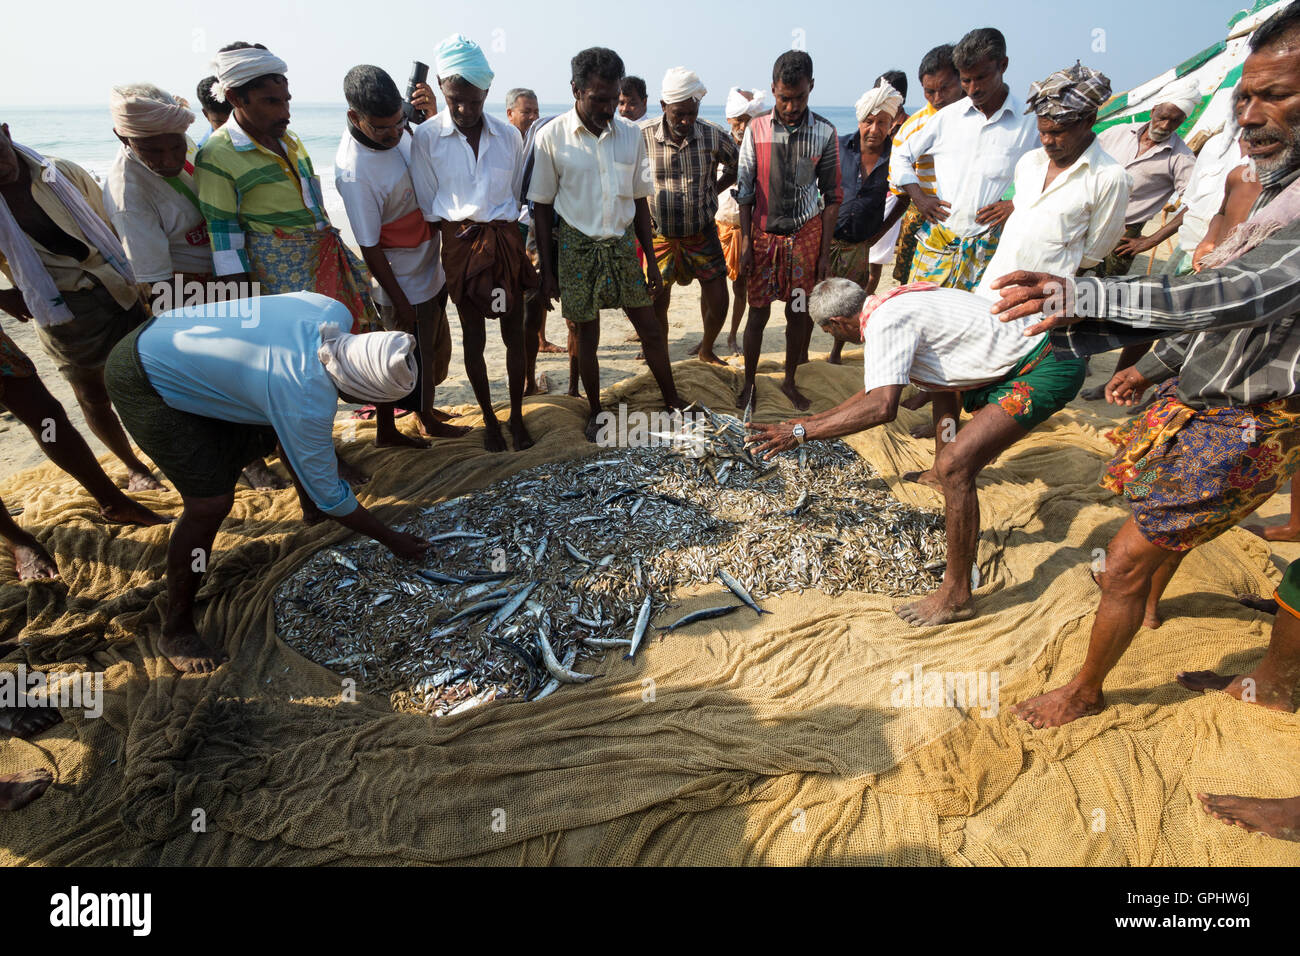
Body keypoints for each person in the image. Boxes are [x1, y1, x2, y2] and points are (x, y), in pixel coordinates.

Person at [990, 0, 1300, 728]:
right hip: (1203, 398)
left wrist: (1085, 293)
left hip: (1252, 421)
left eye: (1275, 95)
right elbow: (1215, 305)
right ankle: (1175, 614)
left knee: (1126, 558)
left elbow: (1237, 291)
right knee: (1155, 522)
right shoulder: (1269, 186)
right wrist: (1155, 365)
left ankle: (1085, 692)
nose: (1249, 114)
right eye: (1245, 95)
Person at [104, 291, 433, 673]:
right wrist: (394, 540)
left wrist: (318, 504)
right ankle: (176, 628)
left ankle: (305, 511)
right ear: (353, 392)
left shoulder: (334, 312)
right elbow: (333, 498)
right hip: (143, 374)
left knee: (278, 425)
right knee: (209, 503)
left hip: (175, 333)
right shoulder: (304, 392)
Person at [746, 275, 1086, 626]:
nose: (835, 339)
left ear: (836, 323)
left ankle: (956, 596)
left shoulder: (885, 323)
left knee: (958, 466)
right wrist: (808, 422)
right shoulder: (892, 301)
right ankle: (941, 473)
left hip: (1047, 364)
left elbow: (881, 407)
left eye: (830, 333)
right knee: (944, 424)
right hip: (1031, 352)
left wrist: (802, 433)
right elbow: (920, 385)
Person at [528, 47, 682, 440]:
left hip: (621, 247)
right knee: (586, 335)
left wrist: (650, 260)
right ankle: (596, 410)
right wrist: (548, 272)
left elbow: (639, 201)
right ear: (576, 89)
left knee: (650, 329)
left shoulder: (631, 135)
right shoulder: (551, 137)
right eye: (599, 99)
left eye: (614, 99)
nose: (609, 107)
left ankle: (672, 399)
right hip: (576, 249)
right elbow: (542, 211)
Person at [0, 123, 164, 492]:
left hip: (119, 286)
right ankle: (134, 466)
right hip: (60, 308)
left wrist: (143, 280)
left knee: (151, 380)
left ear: (6, 134)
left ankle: (172, 451)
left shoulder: (60, 172)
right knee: (92, 394)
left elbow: (112, 224)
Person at [411, 34, 538, 453]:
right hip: (461, 248)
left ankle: (517, 416)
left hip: (503, 244)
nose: (465, 109)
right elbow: (430, 204)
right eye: (454, 99)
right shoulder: (426, 138)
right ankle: (489, 419)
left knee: (514, 334)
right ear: (443, 89)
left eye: (474, 100)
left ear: (487, 91)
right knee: (473, 337)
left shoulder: (509, 137)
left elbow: (517, 193)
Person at [195, 42, 377, 332]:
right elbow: (226, 247)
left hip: (326, 270)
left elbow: (315, 214)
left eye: (286, 100)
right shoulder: (217, 155)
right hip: (281, 290)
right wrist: (246, 321)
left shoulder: (289, 140)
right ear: (234, 98)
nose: (285, 112)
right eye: (271, 102)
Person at [335, 64, 468, 449]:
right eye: (383, 129)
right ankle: (404, 427)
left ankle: (424, 409)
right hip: (402, 281)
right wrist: (399, 300)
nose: (395, 134)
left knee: (431, 352)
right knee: (400, 358)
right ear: (353, 118)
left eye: (398, 123)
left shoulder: (399, 128)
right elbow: (370, 247)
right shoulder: (356, 172)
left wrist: (424, 117)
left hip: (431, 266)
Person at [1077, 78, 1200, 398]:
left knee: (1099, 297)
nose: (1166, 124)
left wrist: (1150, 241)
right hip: (1083, 220)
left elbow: (1194, 205)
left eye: (1175, 120)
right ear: (1154, 107)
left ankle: (1083, 358)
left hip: (1125, 233)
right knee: (1064, 284)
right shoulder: (1116, 133)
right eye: (1163, 115)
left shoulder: (1181, 158)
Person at [890, 28, 1036, 291]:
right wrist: (919, 197)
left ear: (1003, 65)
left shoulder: (1030, 123)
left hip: (994, 247)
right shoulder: (947, 118)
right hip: (940, 240)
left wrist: (1016, 204)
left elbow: (1051, 173)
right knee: (919, 314)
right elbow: (900, 154)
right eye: (966, 81)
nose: (973, 88)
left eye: (981, 78)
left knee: (980, 322)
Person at [735, 49, 841, 413]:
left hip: (804, 240)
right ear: (773, 89)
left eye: (799, 98)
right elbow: (745, 190)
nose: (792, 106)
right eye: (784, 98)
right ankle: (749, 383)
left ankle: (790, 380)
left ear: (811, 87)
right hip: (763, 239)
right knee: (758, 314)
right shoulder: (756, 129)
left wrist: (824, 253)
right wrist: (747, 241)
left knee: (797, 314)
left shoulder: (825, 132)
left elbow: (832, 197)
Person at [642, 67, 738, 366]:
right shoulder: (640, 137)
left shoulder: (713, 135)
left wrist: (713, 188)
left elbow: (737, 168)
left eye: (691, 113)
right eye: (678, 114)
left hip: (702, 231)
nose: (685, 121)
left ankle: (707, 349)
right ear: (663, 107)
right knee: (657, 301)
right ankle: (661, 356)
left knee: (719, 299)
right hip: (659, 234)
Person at [826, 82, 901, 365]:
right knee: (812, 298)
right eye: (869, 121)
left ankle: (835, 353)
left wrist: (880, 232)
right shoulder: (838, 147)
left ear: (891, 124)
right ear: (860, 120)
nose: (874, 129)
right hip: (826, 239)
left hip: (860, 245)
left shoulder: (895, 157)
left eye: (882, 122)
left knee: (850, 303)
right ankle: (801, 356)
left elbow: (904, 197)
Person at [890, 44, 964, 287]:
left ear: (961, 79)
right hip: (929, 219)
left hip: (972, 223)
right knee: (916, 290)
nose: (938, 98)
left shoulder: (976, 115)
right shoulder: (915, 126)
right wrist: (920, 199)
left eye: (945, 88)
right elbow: (896, 176)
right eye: (929, 91)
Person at [505, 86, 564, 371]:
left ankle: (540, 338)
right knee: (521, 288)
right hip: (513, 223)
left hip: (535, 221)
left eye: (535, 111)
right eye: (526, 111)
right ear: (510, 114)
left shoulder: (542, 139)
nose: (532, 116)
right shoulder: (505, 142)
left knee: (538, 283)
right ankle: (527, 344)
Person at [713, 87, 772, 357]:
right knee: (712, 287)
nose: (741, 127)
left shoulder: (761, 149)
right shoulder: (719, 147)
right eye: (738, 122)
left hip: (746, 229)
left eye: (746, 122)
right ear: (730, 121)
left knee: (740, 288)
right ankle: (708, 338)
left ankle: (732, 337)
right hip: (718, 224)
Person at [194, 75, 231, 148]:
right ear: (206, 114)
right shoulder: (204, 153)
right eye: (220, 123)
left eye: (234, 121)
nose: (229, 129)